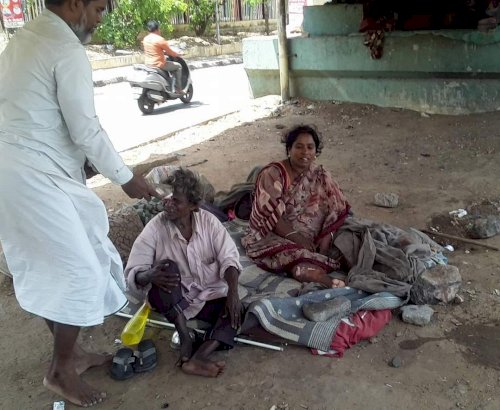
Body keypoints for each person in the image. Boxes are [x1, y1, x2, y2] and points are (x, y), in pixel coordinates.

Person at [0, 0, 158, 407]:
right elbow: (85, 128)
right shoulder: (65, 48)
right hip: (31, 175)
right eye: (100, 10)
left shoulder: (28, 36)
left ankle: (70, 356)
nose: (100, 21)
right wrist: (125, 178)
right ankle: (60, 370)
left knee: (59, 263)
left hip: (22, 171)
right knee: (79, 270)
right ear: (75, 4)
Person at [125, 168, 243, 378]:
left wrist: (233, 293)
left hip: (209, 295)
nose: (168, 203)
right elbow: (135, 272)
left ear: (193, 206)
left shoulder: (209, 222)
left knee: (237, 311)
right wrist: (150, 275)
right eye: (167, 196)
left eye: (176, 200)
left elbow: (229, 258)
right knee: (166, 268)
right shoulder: (156, 227)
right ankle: (185, 337)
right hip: (175, 301)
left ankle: (201, 355)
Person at [241, 125, 351, 288]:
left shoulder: (320, 175)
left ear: (316, 151)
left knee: (352, 244)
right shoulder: (272, 174)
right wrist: (298, 239)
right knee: (297, 263)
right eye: (298, 147)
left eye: (310, 147)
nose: (305, 152)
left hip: (314, 236)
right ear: (289, 149)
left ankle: (339, 275)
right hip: (275, 236)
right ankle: (331, 283)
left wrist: (327, 239)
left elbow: (337, 207)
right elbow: (269, 215)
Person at [143, 20, 184, 94]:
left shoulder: (145, 39)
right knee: (178, 66)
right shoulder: (160, 39)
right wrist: (178, 54)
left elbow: (154, 49)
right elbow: (170, 52)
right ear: (157, 29)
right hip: (159, 64)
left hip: (148, 64)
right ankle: (178, 89)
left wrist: (163, 52)